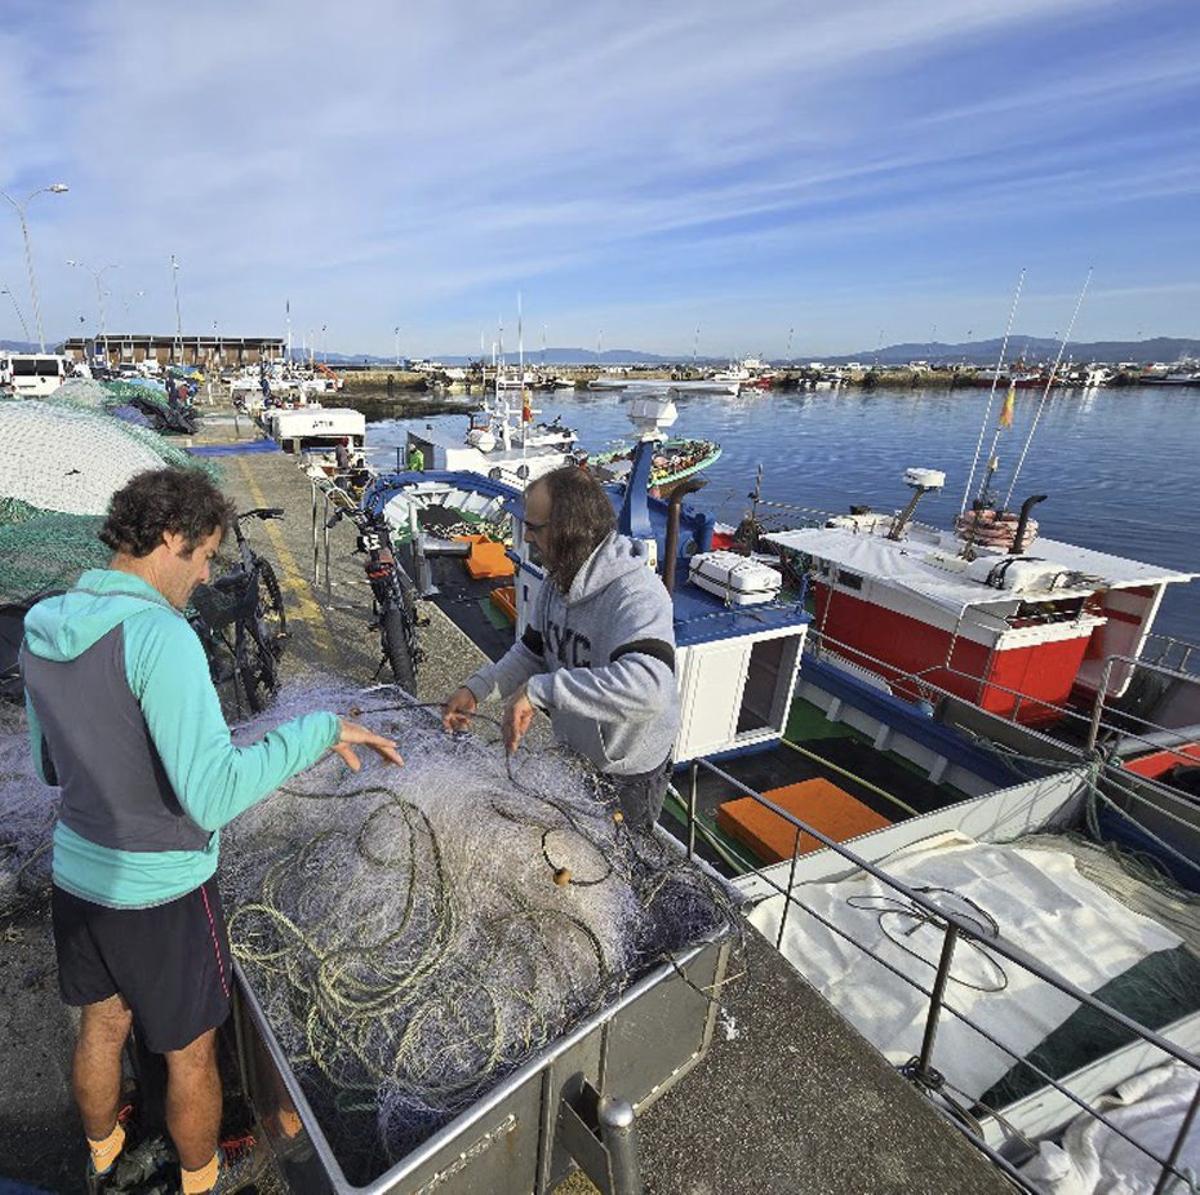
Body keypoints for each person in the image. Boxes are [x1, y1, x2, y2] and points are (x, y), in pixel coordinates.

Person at [20, 468, 402, 1195]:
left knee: (101, 1027)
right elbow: (214, 792)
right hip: (162, 893)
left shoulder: (44, 624)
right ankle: (200, 1181)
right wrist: (317, 731)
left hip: (77, 880)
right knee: (189, 1056)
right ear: (171, 536)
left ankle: (100, 1157)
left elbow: (47, 766)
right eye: (201, 556)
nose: (203, 576)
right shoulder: (160, 636)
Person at [442, 465, 679, 830]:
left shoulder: (636, 594)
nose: (527, 536)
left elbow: (650, 689)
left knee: (621, 867)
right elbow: (532, 652)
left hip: (629, 772)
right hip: (579, 754)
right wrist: (476, 689)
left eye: (535, 527)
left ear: (569, 529)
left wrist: (541, 690)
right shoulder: (557, 580)